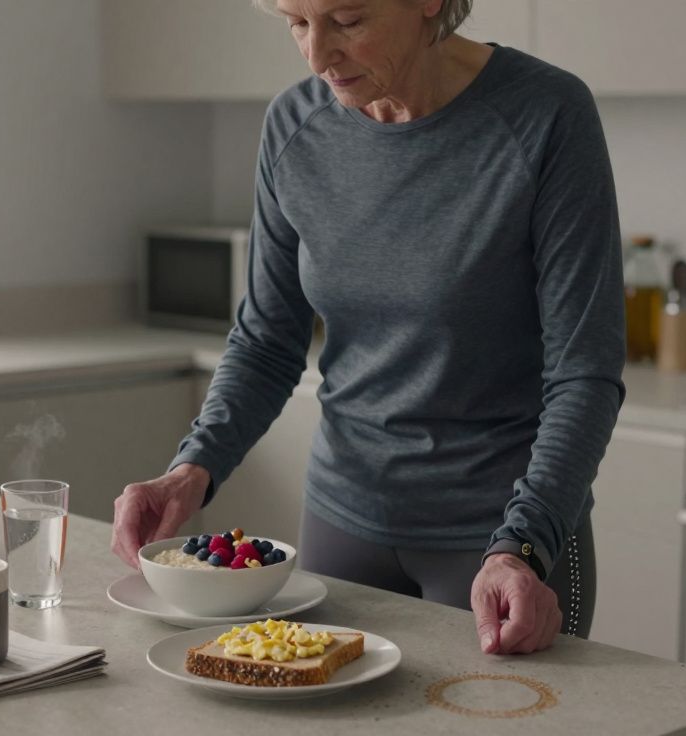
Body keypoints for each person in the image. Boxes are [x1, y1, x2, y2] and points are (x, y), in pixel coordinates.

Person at [111, 0, 624, 656]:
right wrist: (192, 468)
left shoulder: (545, 115)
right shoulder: (295, 127)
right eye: (296, 22)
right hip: (342, 525)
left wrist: (521, 549)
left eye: (347, 20)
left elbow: (584, 371)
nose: (317, 54)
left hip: (502, 542)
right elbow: (267, 340)